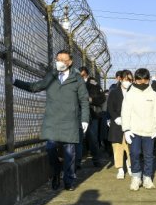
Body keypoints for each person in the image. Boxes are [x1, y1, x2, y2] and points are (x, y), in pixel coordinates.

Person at [13, 50, 89, 191]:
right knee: (50, 148)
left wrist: (85, 120)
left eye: (64, 60)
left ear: (70, 62)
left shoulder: (77, 79)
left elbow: (84, 100)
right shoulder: (51, 76)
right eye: (58, 59)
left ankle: (69, 180)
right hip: (52, 120)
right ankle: (55, 173)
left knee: (69, 153)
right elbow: (35, 87)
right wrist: (15, 82)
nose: (60, 62)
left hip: (70, 121)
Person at [121, 68, 156, 191]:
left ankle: (147, 178)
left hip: (149, 131)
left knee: (149, 155)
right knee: (134, 154)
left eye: (145, 81)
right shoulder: (130, 95)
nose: (142, 83)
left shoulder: (154, 95)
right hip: (134, 131)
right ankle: (136, 177)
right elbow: (125, 112)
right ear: (135, 80)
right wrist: (126, 129)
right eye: (139, 81)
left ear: (148, 80)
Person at [107, 70, 133, 179]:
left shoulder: (134, 91)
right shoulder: (114, 92)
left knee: (131, 147)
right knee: (117, 146)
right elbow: (110, 107)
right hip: (117, 123)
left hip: (131, 123)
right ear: (120, 79)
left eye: (130, 80)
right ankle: (120, 169)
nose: (128, 82)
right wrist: (115, 117)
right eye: (126, 80)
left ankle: (131, 167)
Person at [78, 67, 105, 168]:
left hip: (92, 114)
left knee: (93, 138)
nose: (82, 77)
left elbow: (101, 98)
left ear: (87, 75)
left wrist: (91, 99)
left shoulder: (94, 84)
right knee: (79, 139)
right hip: (78, 114)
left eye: (83, 76)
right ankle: (78, 162)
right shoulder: (74, 82)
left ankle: (96, 159)